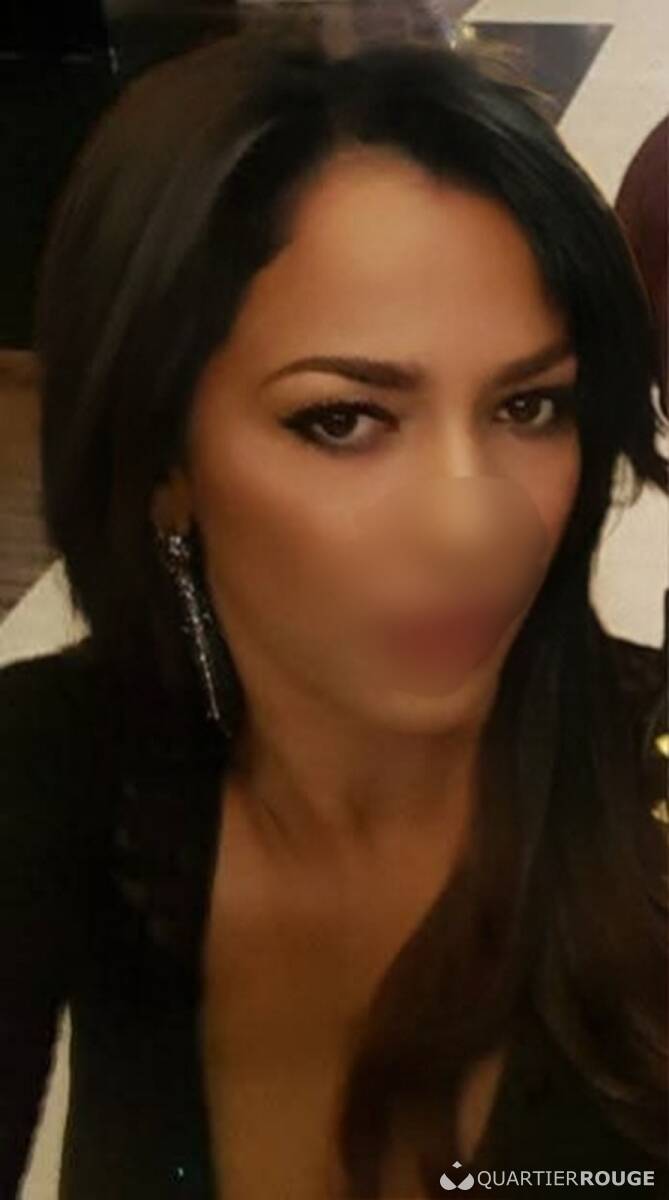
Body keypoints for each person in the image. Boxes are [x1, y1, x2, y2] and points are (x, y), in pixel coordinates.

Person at [1, 12, 667, 1200]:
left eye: (527, 407)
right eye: (343, 420)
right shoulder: (50, 767)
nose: (474, 528)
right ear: (164, 461)